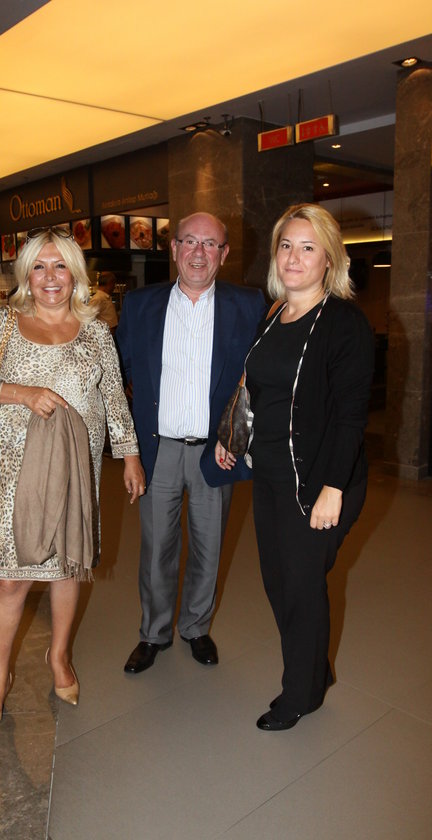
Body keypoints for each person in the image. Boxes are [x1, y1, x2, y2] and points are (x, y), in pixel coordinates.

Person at [0, 228, 145, 740]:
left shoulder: (96, 332)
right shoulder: (0, 323)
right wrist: (22, 393)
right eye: (39, 266)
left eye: (60, 265)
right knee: (10, 580)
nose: (50, 277)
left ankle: (59, 656)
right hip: (13, 473)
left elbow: (113, 398)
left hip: (77, 471)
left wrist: (129, 455)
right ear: (25, 275)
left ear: (76, 273)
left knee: (67, 568)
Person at [216, 203, 374, 731]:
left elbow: (351, 416)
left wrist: (333, 487)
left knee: (302, 586)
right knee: (278, 582)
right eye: (286, 245)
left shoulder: (344, 323)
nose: (294, 257)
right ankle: (314, 669)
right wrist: (231, 436)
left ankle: (301, 694)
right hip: (271, 474)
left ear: (330, 259)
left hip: (320, 478)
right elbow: (254, 387)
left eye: (308, 247)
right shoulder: (273, 315)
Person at [116, 212, 266, 674]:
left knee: (208, 545)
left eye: (210, 244)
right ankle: (154, 633)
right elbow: (117, 372)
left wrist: (237, 438)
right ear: (174, 248)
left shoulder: (249, 305)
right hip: (158, 450)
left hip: (215, 451)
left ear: (223, 253)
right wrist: (128, 449)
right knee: (156, 549)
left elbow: (259, 378)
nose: (199, 252)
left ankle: (196, 627)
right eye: (190, 242)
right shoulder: (140, 304)